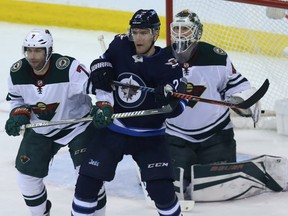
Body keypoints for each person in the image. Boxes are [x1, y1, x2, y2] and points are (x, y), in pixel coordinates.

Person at [71, 9, 187, 216]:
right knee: (86, 184)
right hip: (114, 129)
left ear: (155, 33)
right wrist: (100, 67)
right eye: (135, 32)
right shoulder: (120, 46)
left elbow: (178, 110)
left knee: (163, 193)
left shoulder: (170, 63)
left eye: (143, 32)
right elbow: (101, 64)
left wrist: (169, 99)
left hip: (150, 136)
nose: (138, 37)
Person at [5, 29, 106, 216]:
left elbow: (99, 86)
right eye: (29, 50)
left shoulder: (68, 67)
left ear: (48, 51)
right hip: (42, 129)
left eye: (38, 51)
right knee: (26, 177)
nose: (32, 56)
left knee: (89, 176)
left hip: (78, 126)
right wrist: (18, 114)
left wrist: (103, 105)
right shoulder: (17, 72)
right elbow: (17, 100)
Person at [165, 9, 261, 200]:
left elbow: (237, 86)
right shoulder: (162, 58)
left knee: (215, 191)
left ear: (197, 32)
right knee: (168, 186)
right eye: (177, 28)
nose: (180, 33)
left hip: (216, 135)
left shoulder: (216, 57)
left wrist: (242, 101)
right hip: (174, 136)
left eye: (186, 29)